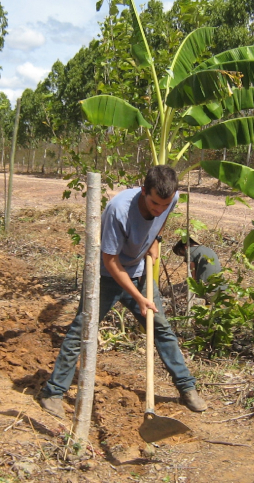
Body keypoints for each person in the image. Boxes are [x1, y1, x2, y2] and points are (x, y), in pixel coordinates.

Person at [39, 165, 207, 419]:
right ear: (143, 191)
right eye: (154, 204)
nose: (159, 209)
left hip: (139, 272)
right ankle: (52, 393)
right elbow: (110, 261)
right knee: (82, 331)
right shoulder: (119, 210)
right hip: (106, 278)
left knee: (161, 329)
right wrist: (139, 297)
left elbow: (163, 218)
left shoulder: (171, 198)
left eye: (164, 204)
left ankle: (187, 388)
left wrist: (155, 241)